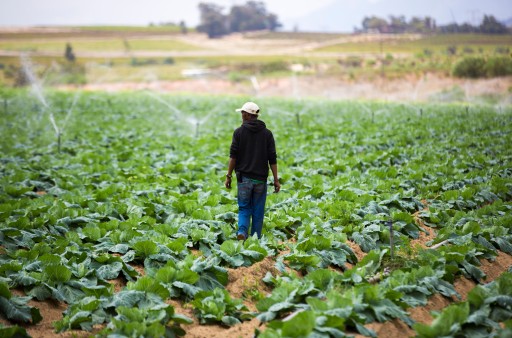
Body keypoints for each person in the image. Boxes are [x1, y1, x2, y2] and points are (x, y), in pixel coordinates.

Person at [225, 101, 280, 240]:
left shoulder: (238, 132)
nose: (242, 115)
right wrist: (276, 179)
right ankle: (255, 237)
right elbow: (272, 158)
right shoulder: (267, 134)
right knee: (258, 210)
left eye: (243, 113)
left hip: (244, 178)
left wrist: (229, 175)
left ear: (248, 115)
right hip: (260, 179)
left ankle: (242, 232)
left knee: (244, 207)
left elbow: (233, 156)